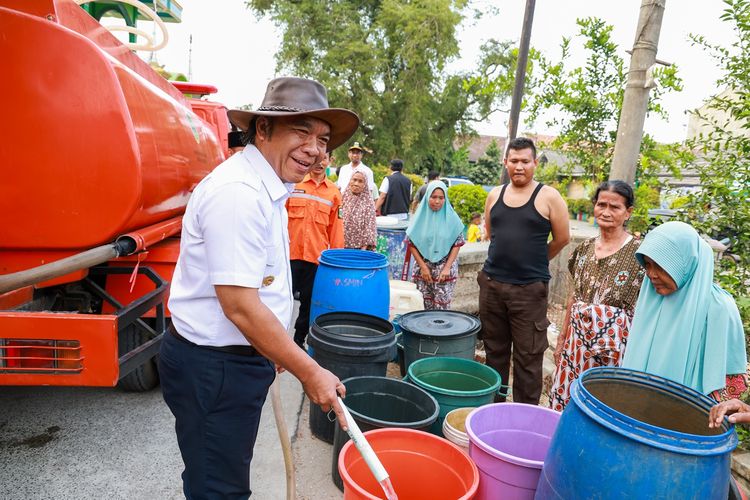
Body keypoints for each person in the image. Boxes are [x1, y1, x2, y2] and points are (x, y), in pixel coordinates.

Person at [160, 77, 358, 499]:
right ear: (263, 129)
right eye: (302, 132)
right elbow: (240, 308)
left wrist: (273, 346)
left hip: (237, 359)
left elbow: (260, 288)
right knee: (219, 487)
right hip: (215, 367)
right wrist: (311, 370)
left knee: (218, 474)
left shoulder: (271, 187)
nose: (315, 149)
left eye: (323, 139)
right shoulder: (239, 193)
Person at [478, 137, 570, 405]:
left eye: (525, 161)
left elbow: (562, 238)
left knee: (528, 359)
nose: (519, 166)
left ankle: (524, 417)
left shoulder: (549, 196)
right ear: (505, 162)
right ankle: (492, 411)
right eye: (514, 161)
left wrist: (536, 261)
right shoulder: (495, 194)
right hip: (492, 286)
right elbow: (491, 233)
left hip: (529, 291)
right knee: (494, 353)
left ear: (535, 163)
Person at [622, 221, 747, 400]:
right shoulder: (652, 298)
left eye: (660, 265)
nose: (651, 274)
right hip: (640, 407)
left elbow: (728, 384)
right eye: (648, 265)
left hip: (691, 417)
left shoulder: (718, 307)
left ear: (688, 263)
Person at [549, 181, 645, 411]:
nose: (607, 212)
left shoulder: (640, 253)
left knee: (604, 402)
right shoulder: (583, 250)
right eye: (601, 204)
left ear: (628, 212)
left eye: (615, 207)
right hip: (576, 341)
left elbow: (646, 306)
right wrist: (562, 340)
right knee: (568, 398)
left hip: (614, 344)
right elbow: (574, 296)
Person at [287, 151, 344, 348]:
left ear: (330, 161)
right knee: (282, 300)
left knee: (309, 303)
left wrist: (337, 262)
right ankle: (276, 343)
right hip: (289, 255)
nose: (320, 163)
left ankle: (298, 340)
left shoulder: (334, 193)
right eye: (317, 159)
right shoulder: (294, 185)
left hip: (315, 259)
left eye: (324, 159)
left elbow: (335, 230)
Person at [406, 181, 465, 310]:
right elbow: (411, 243)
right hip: (423, 270)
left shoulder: (452, 219)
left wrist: (446, 268)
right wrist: (423, 267)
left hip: (444, 272)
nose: (437, 201)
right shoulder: (419, 218)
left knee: (441, 310)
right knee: (420, 307)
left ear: (445, 199)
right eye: (433, 197)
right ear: (427, 197)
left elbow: (457, 244)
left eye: (441, 198)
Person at [342, 170, 377, 250]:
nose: (356, 184)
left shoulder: (368, 202)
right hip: (340, 245)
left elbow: (369, 227)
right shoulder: (343, 197)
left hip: (359, 249)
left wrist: (363, 251)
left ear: (365, 184)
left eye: (360, 181)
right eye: (354, 180)